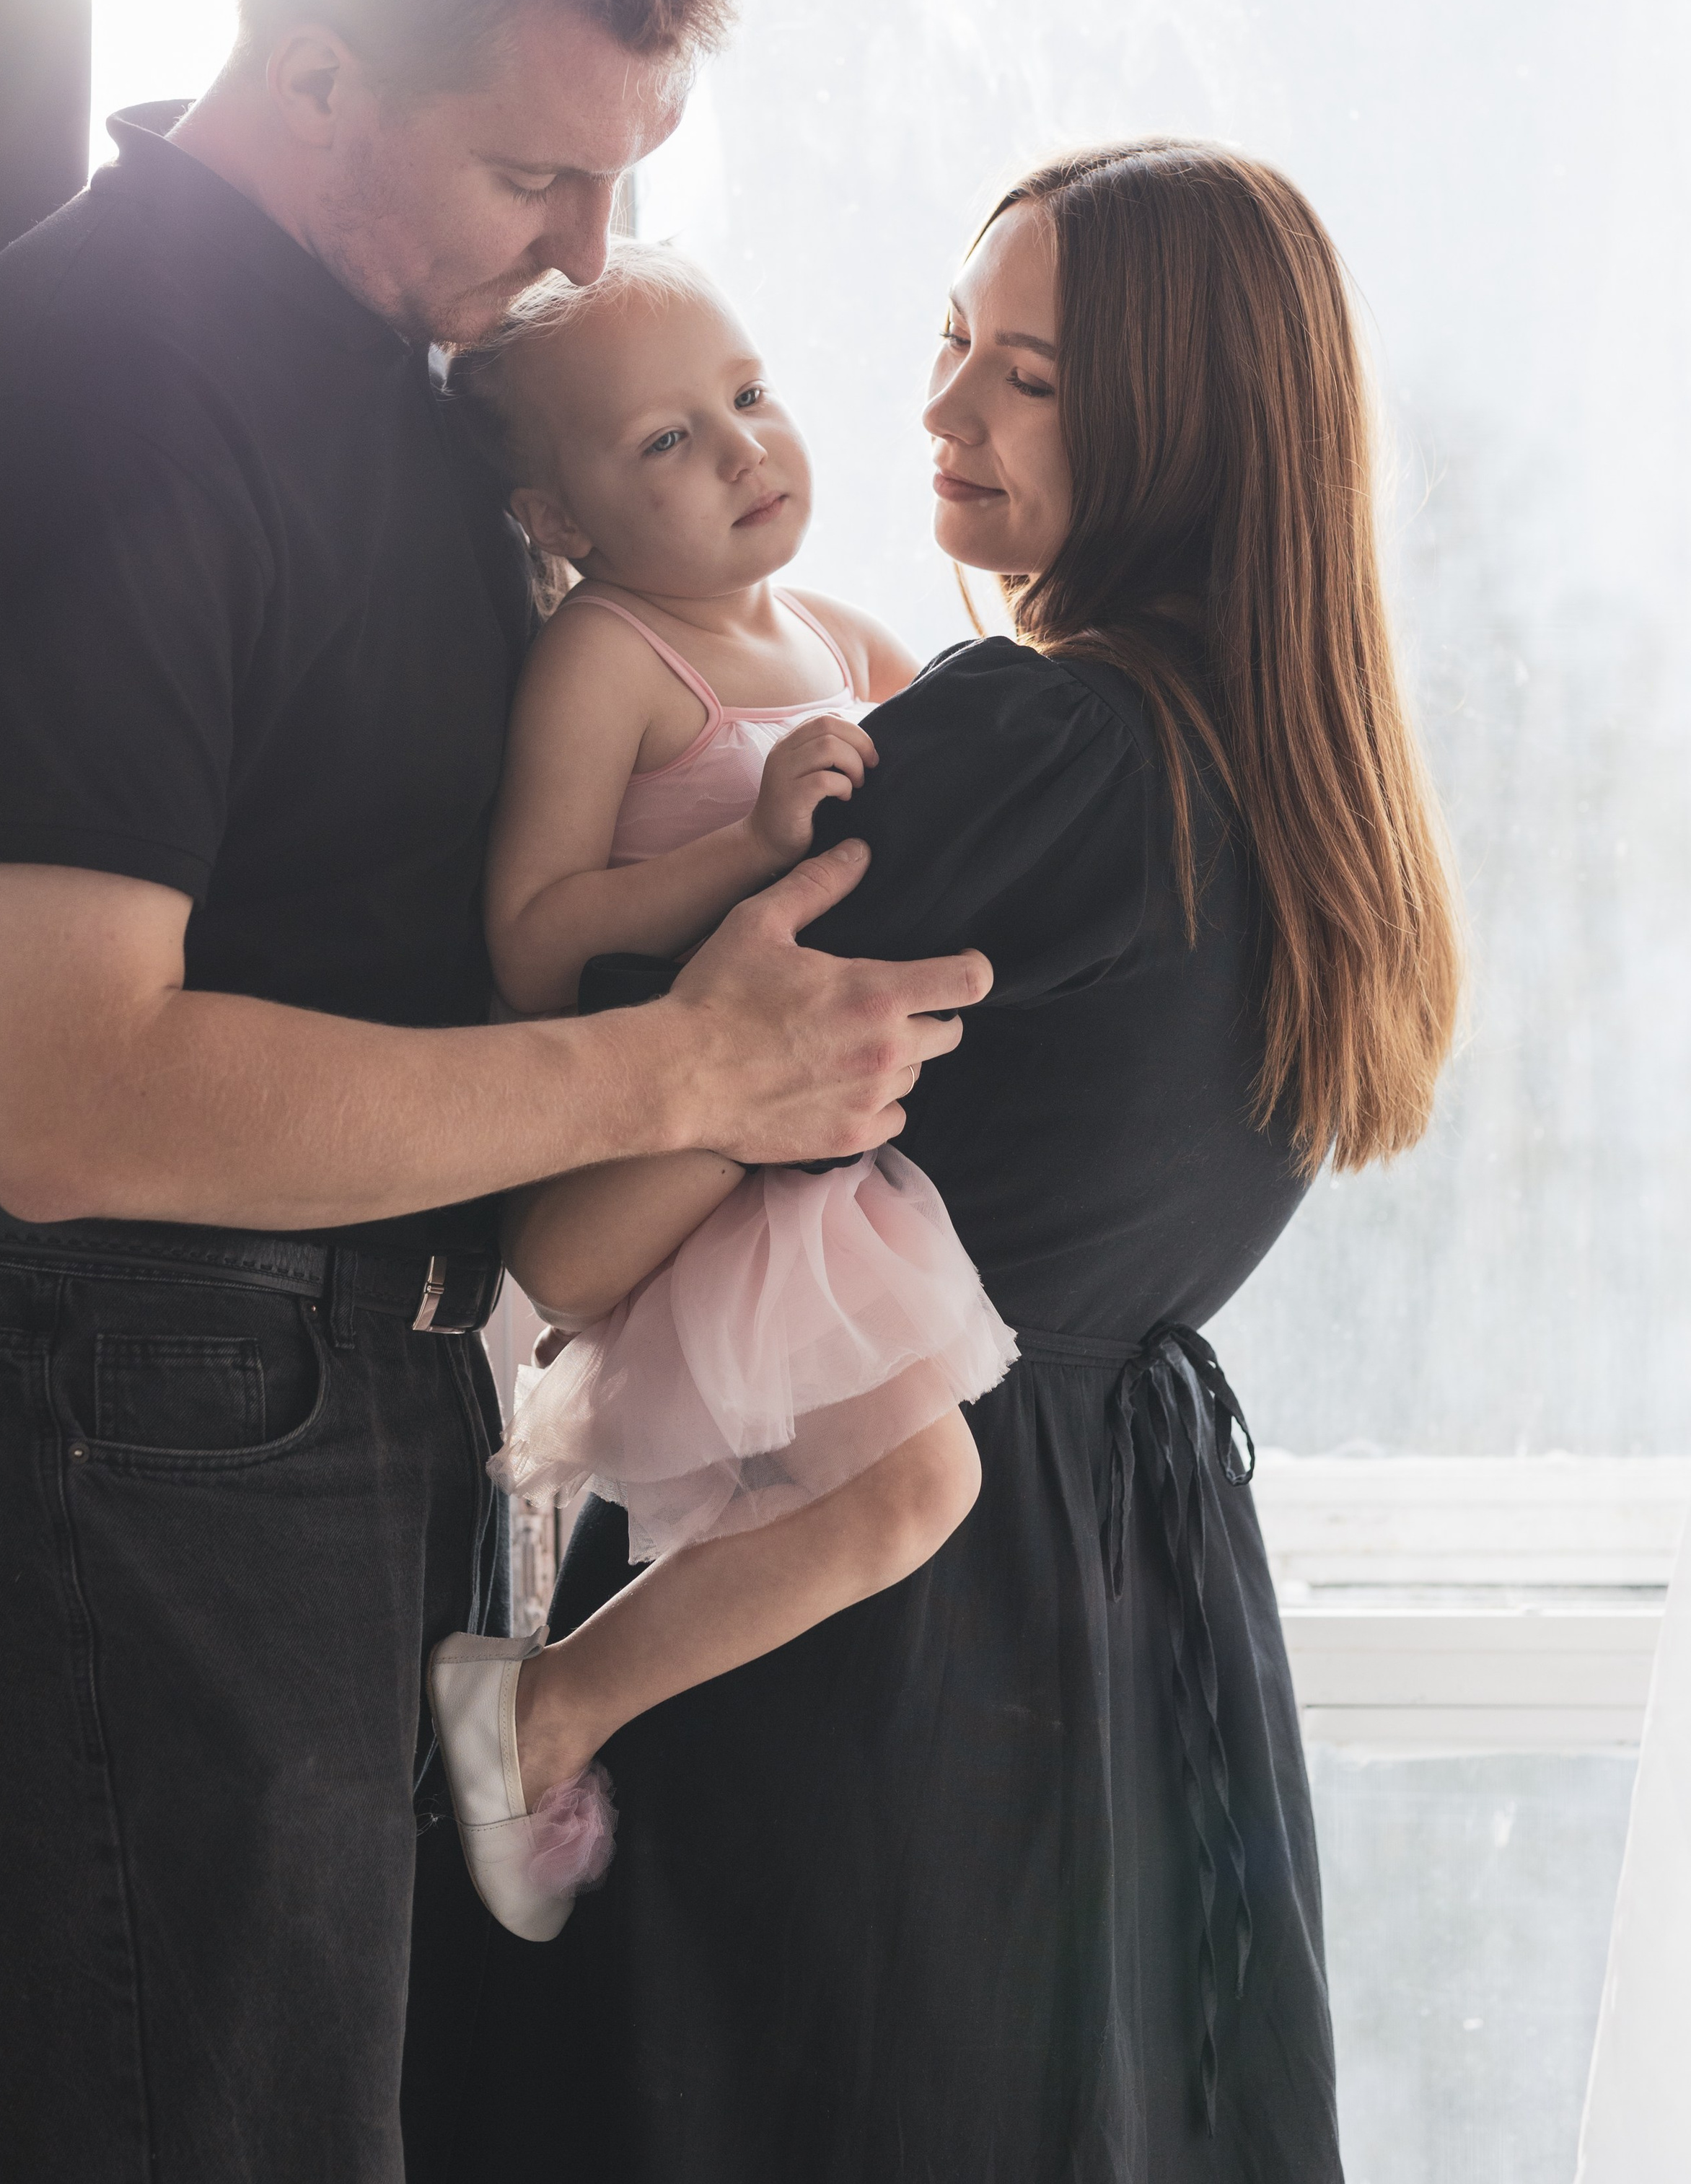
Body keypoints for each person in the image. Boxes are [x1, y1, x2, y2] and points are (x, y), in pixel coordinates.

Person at [0, 0, 988, 2184]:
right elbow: (71, 1094)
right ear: (319, 68)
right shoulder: (104, 390)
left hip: (302, 1424)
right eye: (531, 171)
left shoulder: (412, 384)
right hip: (113, 1433)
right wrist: (688, 1076)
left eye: (624, 179)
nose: (592, 249)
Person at [482, 140, 1463, 2184]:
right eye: (952, 341)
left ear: (1178, 425)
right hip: (1117, 1619)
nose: (936, 411)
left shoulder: (1043, 748)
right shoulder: (1295, 789)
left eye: (1026, 375)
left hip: (871, 1642)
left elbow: (578, 1247)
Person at [419, 247, 1016, 1939]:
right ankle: (535, 1709)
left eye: (746, 396)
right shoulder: (609, 658)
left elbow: (961, 786)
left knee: (881, 1505)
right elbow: (532, 937)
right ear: (561, 519)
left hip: (816, 1167)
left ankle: (588, 1751)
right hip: (699, 1188)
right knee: (916, 1488)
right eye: (664, 442)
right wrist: (747, 850)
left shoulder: (835, 634)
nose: (744, 449)